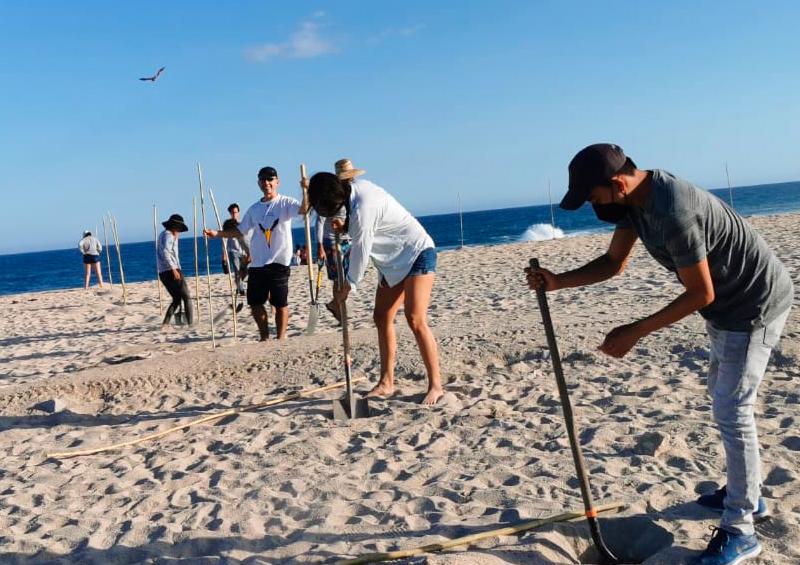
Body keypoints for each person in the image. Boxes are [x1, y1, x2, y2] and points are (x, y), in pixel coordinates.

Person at [526, 144, 793, 565]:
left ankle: (741, 527)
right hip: (724, 306)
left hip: (752, 305)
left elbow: (699, 292)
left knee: (732, 409)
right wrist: (559, 282)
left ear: (616, 183)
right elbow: (614, 263)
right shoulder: (634, 203)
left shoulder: (673, 212)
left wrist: (636, 330)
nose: (595, 209)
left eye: (594, 199)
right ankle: (748, 493)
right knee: (723, 399)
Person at [306, 159, 443, 405]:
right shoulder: (353, 195)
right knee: (381, 317)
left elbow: (361, 250)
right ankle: (386, 382)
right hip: (391, 262)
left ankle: (436, 385)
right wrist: (343, 226)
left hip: (416, 253)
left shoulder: (364, 205)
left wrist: (347, 287)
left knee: (415, 318)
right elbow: (359, 232)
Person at [205, 166, 307, 341]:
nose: (266, 183)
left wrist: (306, 190)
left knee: (280, 303)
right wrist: (218, 234)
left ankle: (281, 339)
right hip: (258, 263)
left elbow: (304, 210)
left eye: (270, 179)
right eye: (263, 179)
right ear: (258, 183)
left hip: (279, 261)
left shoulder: (285, 203)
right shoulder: (254, 209)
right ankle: (264, 337)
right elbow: (240, 231)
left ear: (277, 182)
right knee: (254, 303)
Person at [315, 204, 351, 324]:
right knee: (338, 279)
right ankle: (339, 310)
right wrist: (320, 245)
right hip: (331, 240)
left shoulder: (349, 194)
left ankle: (335, 304)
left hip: (348, 239)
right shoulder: (327, 197)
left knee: (349, 279)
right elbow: (320, 221)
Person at [157, 214, 194, 327]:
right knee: (186, 296)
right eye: (179, 229)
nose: (179, 232)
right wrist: (174, 269)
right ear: (174, 227)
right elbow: (166, 253)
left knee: (177, 299)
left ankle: (165, 324)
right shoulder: (169, 236)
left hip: (162, 272)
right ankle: (190, 324)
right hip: (171, 269)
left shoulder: (162, 234)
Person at [224, 202, 249, 297]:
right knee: (237, 271)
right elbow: (224, 240)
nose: (234, 214)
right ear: (230, 213)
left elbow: (246, 238)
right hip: (233, 251)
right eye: (233, 212)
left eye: (236, 212)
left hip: (243, 251)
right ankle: (241, 289)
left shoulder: (242, 223)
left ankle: (240, 286)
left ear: (238, 212)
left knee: (245, 271)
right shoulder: (228, 225)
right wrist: (224, 256)